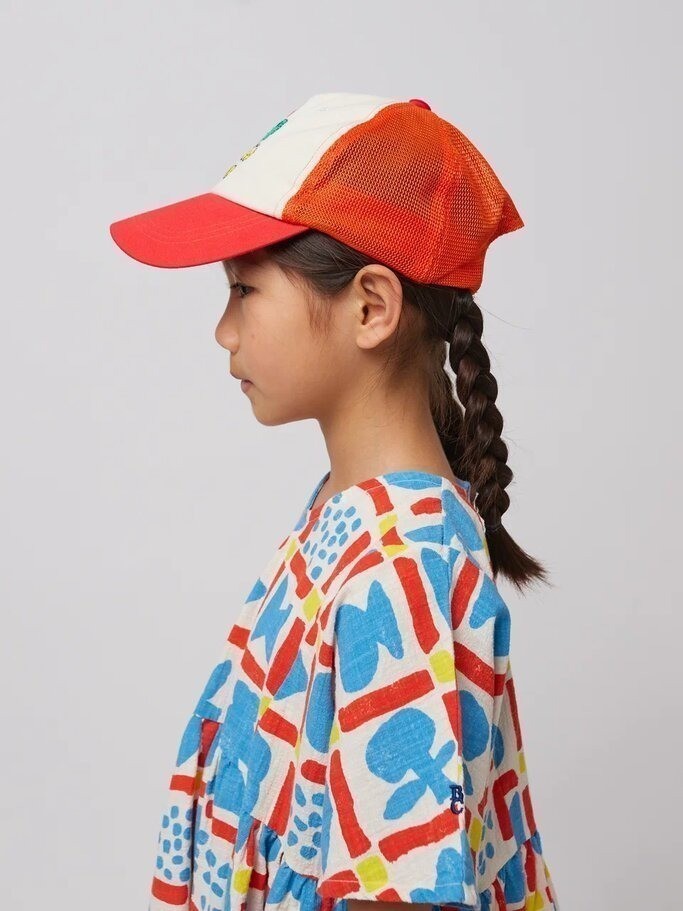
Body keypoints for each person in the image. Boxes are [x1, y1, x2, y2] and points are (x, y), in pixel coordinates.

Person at [110, 91, 560, 911]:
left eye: (245, 290)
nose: (223, 330)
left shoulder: (400, 569)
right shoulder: (352, 514)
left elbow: (399, 891)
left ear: (369, 307)